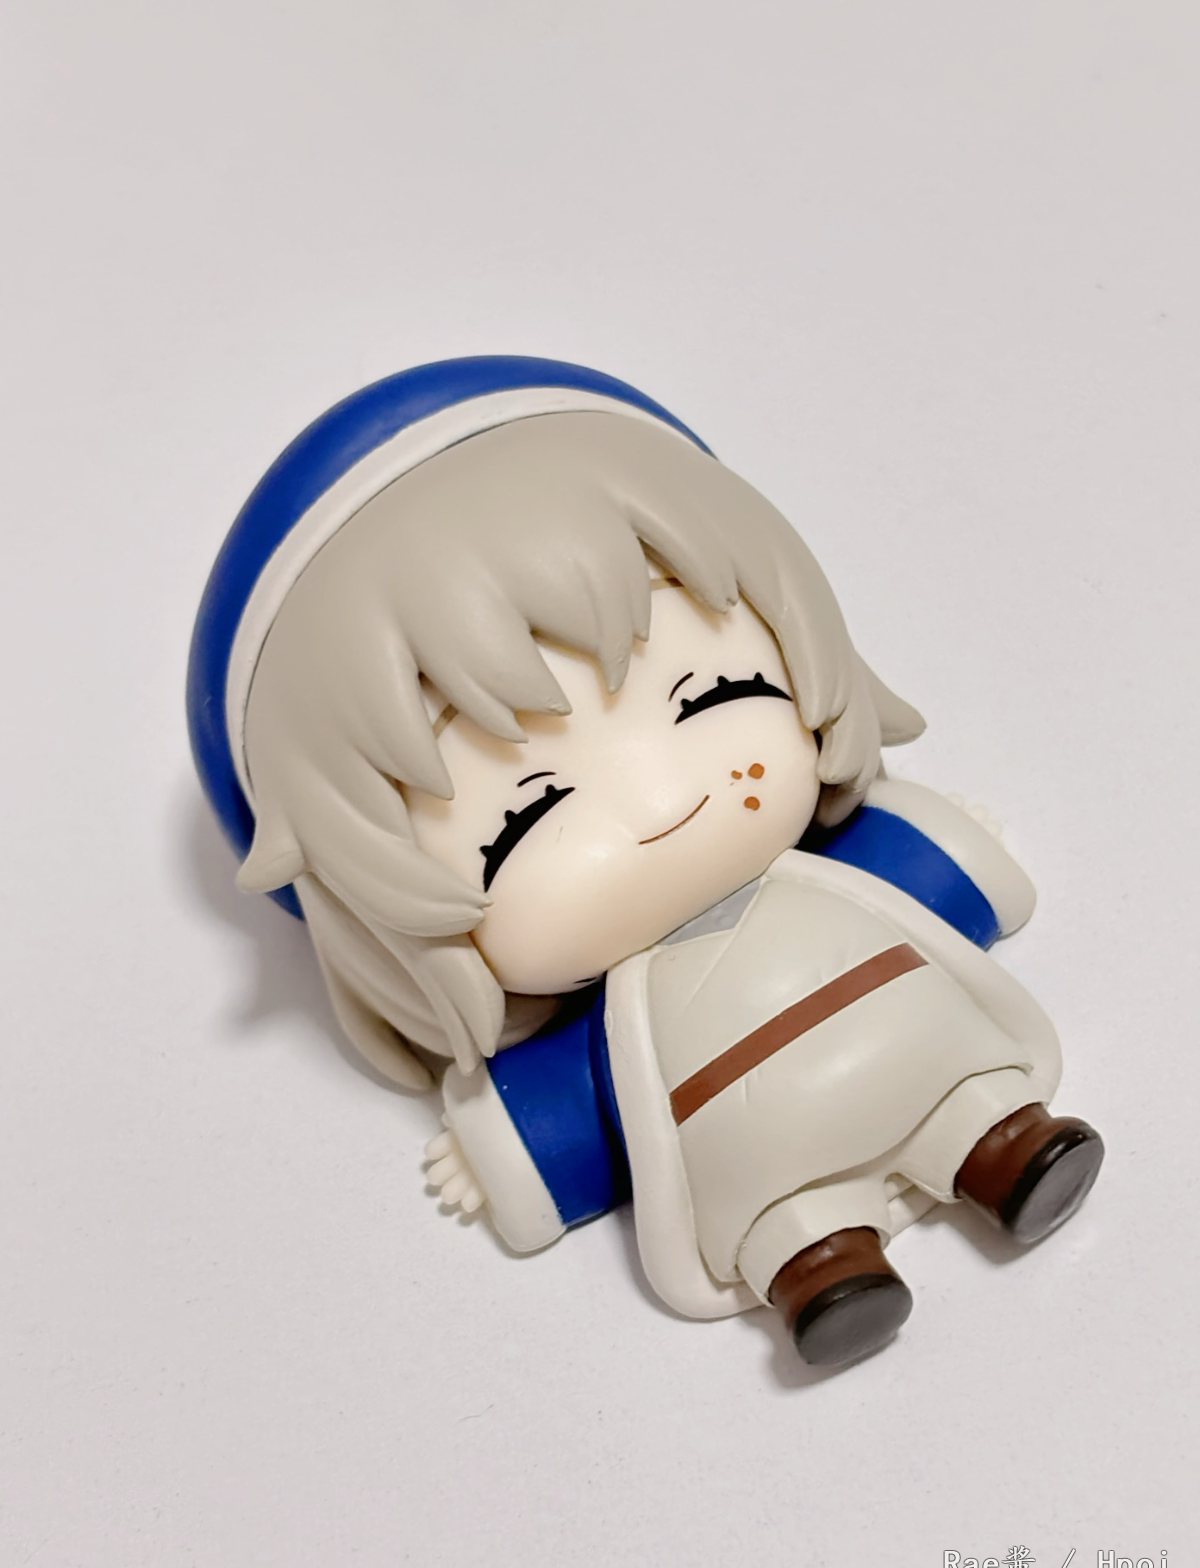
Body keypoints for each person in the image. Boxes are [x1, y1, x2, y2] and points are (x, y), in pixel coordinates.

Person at [188, 357, 1104, 1366]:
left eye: (711, 696)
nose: (664, 802)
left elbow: (928, 877)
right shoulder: (613, 1031)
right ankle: (818, 1266)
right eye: (527, 814)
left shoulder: (829, 876)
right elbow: (576, 1114)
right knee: (780, 1218)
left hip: (931, 1053)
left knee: (971, 1100)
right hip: (762, 1172)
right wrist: (504, 1151)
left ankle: (1004, 1147)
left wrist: (956, 844)